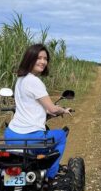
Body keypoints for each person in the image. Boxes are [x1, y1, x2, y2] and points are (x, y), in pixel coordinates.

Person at [4, 44, 72, 179]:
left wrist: (47, 112)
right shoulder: (34, 81)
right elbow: (52, 108)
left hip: (11, 135)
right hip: (31, 137)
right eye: (38, 58)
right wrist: (63, 110)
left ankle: (13, 175)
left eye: (45, 59)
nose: (43, 62)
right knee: (60, 136)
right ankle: (52, 175)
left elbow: (33, 105)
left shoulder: (20, 79)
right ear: (30, 58)